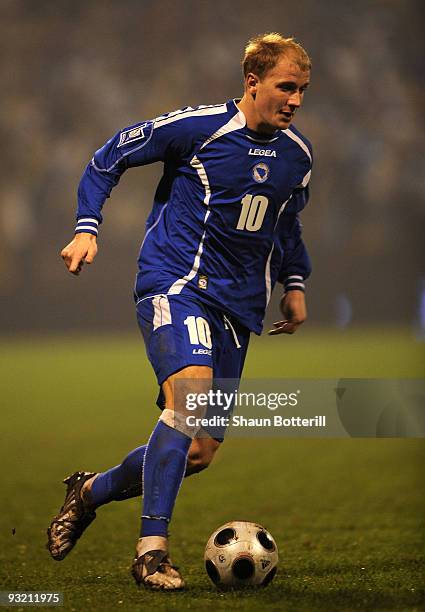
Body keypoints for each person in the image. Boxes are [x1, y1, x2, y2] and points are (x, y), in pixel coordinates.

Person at [47, 32, 312, 590]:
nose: (294, 99)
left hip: (239, 309)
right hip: (177, 284)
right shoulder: (198, 128)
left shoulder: (298, 156)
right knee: (188, 399)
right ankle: (151, 552)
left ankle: (89, 492)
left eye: (302, 90)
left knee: (197, 451)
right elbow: (108, 157)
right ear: (253, 82)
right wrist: (87, 228)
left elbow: (285, 221)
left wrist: (293, 282)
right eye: (285, 87)